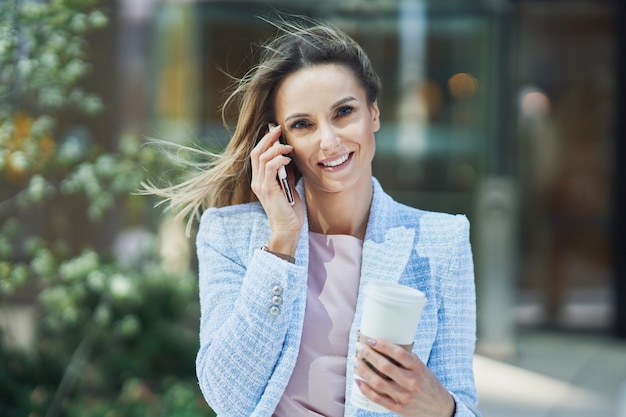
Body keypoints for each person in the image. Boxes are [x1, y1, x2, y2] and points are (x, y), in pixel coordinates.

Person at [145, 16, 481, 417]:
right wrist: (281, 243)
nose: (329, 141)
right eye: (303, 124)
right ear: (279, 141)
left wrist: (440, 406)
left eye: (343, 112)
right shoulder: (230, 234)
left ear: (374, 114)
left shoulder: (441, 241)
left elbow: (465, 407)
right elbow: (225, 395)